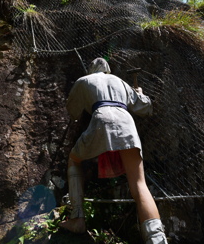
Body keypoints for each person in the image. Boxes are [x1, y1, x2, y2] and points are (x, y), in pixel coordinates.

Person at [59, 57, 168, 243]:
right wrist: (139, 93)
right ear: (108, 69)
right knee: (139, 185)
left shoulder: (84, 81)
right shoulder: (121, 82)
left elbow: (73, 111)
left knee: (74, 160)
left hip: (101, 119)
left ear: (91, 70)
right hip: (126, 122)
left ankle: (77, 218)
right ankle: (157, 239)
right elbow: (146, 107)